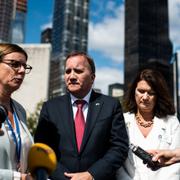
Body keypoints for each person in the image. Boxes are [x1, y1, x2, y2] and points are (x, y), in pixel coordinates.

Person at [34, 51, 129, 180]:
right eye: (68, 71)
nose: (71, 76)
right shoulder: (50, 107)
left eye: (78, 71)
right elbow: (43, 149)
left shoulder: (110, 105)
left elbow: (119, 147)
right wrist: (65, 178)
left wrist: (92, 174)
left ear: (92, 77)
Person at [116, 69, 180, 180]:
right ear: (133, 92)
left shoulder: (171, 122)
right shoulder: (122, 120)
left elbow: (175, 164)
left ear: (158, 96)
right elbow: (117, 161)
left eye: (151, 93)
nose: (145, 97)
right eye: (141, 91)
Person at [0, 43, 34, 180]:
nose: (21, 71)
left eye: (24, 66)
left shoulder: (20, 110)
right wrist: (18, 177)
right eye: (14, 64)